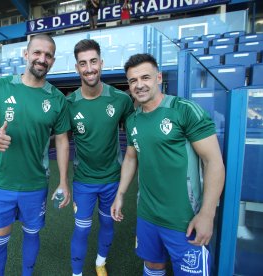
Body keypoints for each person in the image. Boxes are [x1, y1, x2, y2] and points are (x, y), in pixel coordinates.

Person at [111, 53, 225, 275]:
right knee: (153, 267)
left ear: (159, 78)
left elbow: (213, 162)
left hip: (184, 218)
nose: (139, 85)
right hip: (147, 215)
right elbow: (131, 157)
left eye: (145, 77)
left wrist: (207, 214)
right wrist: (120, 193)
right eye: (133, 80)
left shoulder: (184, 110)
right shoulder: (133, 119)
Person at [0, 34, 71, 276]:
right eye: (37, 53)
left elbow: (61, 140)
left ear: (52, 61)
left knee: (32, 234)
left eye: (48, 55)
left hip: (35, 183)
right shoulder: (1, 86)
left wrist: (62, 181)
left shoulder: (57, 99)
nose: (42, 59)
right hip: (1, 180)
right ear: (26, 54)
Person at [67, 39, 134, 276]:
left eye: (93, 61)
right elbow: (60, 140)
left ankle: (99, 263)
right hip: (84, 180)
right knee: (82, 229)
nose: (89, 68)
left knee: (107, 224)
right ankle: (76, 273)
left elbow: (137, 128)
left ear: (101, 63)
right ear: (77, 68)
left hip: (112, 180)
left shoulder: (120, 99)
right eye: (83, 63)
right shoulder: (70, 104)